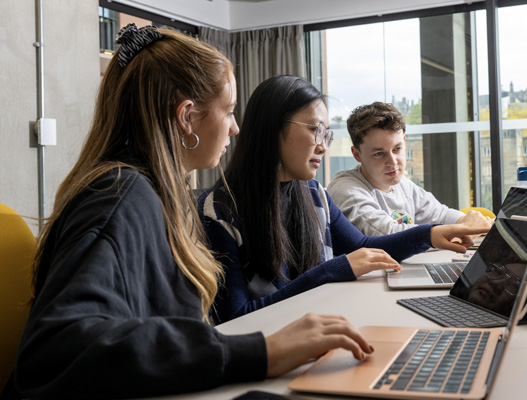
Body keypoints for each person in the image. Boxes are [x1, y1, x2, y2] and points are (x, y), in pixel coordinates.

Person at [5, 25, 378, 400]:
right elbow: (55, 349)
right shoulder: (120, 196)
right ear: (187, 117)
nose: (235, 128)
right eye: (229, 111)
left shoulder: (157, 194)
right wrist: (260, 352)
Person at [199, 76, 489, 325]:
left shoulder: (313, 194)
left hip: (325, 330)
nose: (323, 145)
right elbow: (234, 319)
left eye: (327, 132)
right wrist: (332, 270)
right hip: (276, 350)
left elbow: (363, 246)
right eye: (315, 130)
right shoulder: (221, 211)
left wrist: (430, 234)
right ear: (271, 129)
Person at [327, 101, 493, 236]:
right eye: (379, 154)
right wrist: (458, 229)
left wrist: (467, 222)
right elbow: (386, 233)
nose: (393, 162)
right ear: (357, 155)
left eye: (397, 149)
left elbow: (441, 214)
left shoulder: (402, 185)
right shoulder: (346, 189)